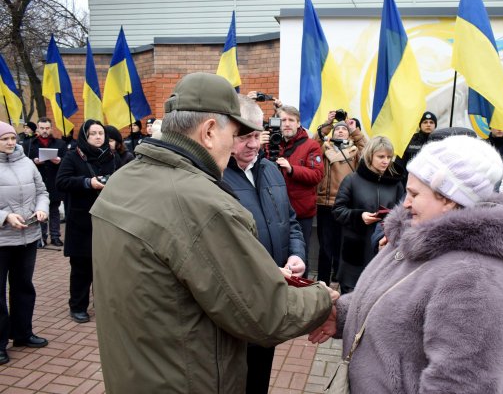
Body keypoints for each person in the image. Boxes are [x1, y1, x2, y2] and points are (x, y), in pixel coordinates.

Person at [90, 72, 336, 393]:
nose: (236, 144)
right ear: (208, 132)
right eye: (234, 133)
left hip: (135, 372)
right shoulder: (202, 201)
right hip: (187, 379)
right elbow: (264, 314)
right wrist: (323, 299)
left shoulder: (123, 179)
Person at [310, 135, 503, 394]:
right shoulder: (414, 234)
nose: (406, 203)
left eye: (413, 193)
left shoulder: (477, 278)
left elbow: (463, 385)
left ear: (448, 198)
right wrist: (344, 315)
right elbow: (398, 305)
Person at [223, 95, 307, 394]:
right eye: (245, 136)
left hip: (271, 301)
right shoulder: (213, 179)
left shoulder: (271, 170)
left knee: (260, 375)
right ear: (224, 134)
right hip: (237, 304)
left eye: (258, 135)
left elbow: (291, 221)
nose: (254, 144)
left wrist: (297, 254)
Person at [56, 120, 119, 324]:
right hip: (82, 220)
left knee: (105, 267)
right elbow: (62, 181)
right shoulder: (73, 156)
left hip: (107, 218)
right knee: (82, 267)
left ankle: (101, 304)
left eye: (101, 133)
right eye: (93, 133)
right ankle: (78, 306)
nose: (98, 137)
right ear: (85, 136)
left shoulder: (112, 156)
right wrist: (86, 183)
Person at [0, 122, 49, 365]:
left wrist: (41, 210)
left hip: (27, 237)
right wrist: (5, 216)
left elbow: (43, 192)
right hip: (1, 240)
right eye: (4, 139)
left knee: (23, 287)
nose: (10, 142)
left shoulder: (27, 162)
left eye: (12, 138)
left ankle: (23, 334)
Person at [332, 136, 404, 294]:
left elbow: (404, 214)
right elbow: (338, 210)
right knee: (350, 300)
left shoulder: (396, 184)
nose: (386, 161)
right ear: (370, 155)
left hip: (383, 251)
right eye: (381, 156)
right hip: (354, 252)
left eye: (388, 157)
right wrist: (359, 216)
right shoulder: (352, 180)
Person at [316, 114, 366, 285]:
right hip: (324, 203)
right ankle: (322, 281)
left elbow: (368, 151)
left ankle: (339, 278)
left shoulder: (355, 150)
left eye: (344, 129)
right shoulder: (323, 147)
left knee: (342, 245)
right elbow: (312, 143)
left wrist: (355, 130)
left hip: (345, 205)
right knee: (325, 247)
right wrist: (328, 124)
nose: (341, 131)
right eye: (338, 129)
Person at [274, 105, 324, 276]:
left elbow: (317, 174)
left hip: (301, 212)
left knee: (301, 256)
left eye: (291, 120)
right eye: (283, 120)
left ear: (298, 123)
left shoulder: (311, 145)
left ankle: (303, 291)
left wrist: (292, 169)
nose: (287, 124)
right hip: (275, 211)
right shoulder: (272, 144)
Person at [22, 117, 67, 248]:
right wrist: (33, 161)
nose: (45, 131)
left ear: (51, 128)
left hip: (54, 181)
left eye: (47, 128)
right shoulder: (29, 143)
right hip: (37, 183)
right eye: (42, 128)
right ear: (37, 129)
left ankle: (55, 237)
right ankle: (40, 237)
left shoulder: (60, 144)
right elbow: (23, 161)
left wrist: (60, 160)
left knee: (54, 211)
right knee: (39, 212)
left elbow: (67, 160)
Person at [396, 111, 437, 184]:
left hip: (431, 183)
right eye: (425, 122)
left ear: (435, 125)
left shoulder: (440, 142)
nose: (428, 124)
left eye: (431, 122)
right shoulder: (409, 140)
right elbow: (399, 164)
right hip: (410, 182)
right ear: (420, 125)